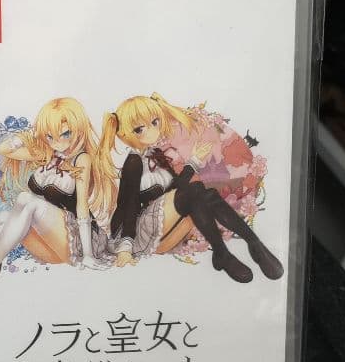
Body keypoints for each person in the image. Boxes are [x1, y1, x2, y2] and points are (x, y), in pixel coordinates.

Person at [0, 97, 118, 303]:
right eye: (51, 136)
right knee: (2, 217)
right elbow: (2, 150)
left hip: (76, 240)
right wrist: (33, 134)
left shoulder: (82, 158)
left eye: (65, 134)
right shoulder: (46, 155)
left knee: (26, 198)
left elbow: (82, 205)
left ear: (78, 128)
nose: (59, 143)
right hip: (47, 240)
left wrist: (88, 255)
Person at [101, 93, 284, 282]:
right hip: (137, 231)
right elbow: (128, 205)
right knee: (196, 190)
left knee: (206, 193)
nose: (153, 130)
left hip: (162, 219)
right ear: (125, 135)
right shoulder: (133, 162)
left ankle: (249, 244)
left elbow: (177, 189)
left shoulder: (156, 154)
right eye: (140, 129)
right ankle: (229, 250)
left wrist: (194, 159)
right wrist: (125, 247)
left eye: (155, 122)